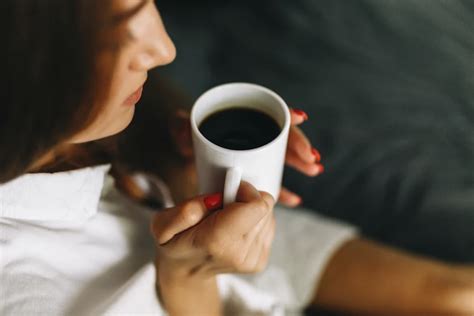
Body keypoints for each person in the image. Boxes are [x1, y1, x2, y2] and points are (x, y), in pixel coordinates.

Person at [0, 1, 472, 315]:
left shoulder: (86, 126)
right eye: (116, 36)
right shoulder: (32, 293)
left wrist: (190, 172)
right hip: (215, 282)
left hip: (241, 244)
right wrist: (189, 277)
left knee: (459, 294)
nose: (164, 49)